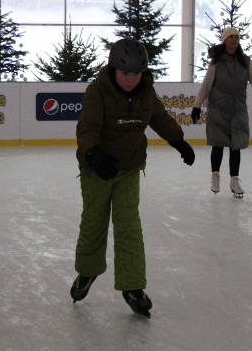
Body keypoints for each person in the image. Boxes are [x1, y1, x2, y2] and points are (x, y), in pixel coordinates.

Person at [70, 38, 195, 318]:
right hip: (97, 169)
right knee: (94, 223)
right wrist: (93, 153)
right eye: (125, 73)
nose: (130, 79)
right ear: (113, 68)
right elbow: (86, 127)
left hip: (129, 169)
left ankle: (133, 286)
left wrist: (179, 142)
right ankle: (87, 272)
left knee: (129, 226)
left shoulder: (146, 94)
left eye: (136, 74)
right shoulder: (97, 91)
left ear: (143, 73)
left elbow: (161, 119)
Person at [191, 27, 252, 198]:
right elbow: (205, 86)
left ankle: (234, 180)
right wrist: (197, 106)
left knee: (236, 146)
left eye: (237, 37)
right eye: (231, 37)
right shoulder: (216, 62)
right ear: (224, 40)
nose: (234, 40)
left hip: (238, 110)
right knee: (218, 144)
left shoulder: (245, 62)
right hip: (218, 109)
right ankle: (215, 176)